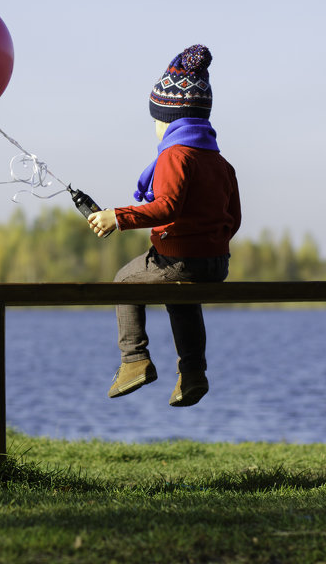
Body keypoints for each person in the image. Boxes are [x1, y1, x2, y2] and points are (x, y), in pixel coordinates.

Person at [87, 44, 241, 407]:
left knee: (123, 282)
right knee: (180, 298)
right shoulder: (219, 161)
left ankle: (134, 361)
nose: (155, 127)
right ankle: (192, 374)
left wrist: (118, 217)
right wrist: (211, 243)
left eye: (156, 120)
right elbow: (233, 218)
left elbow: (166, 207)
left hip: (179, 259)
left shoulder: (175, 155)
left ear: (171, 119)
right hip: (217, 264)